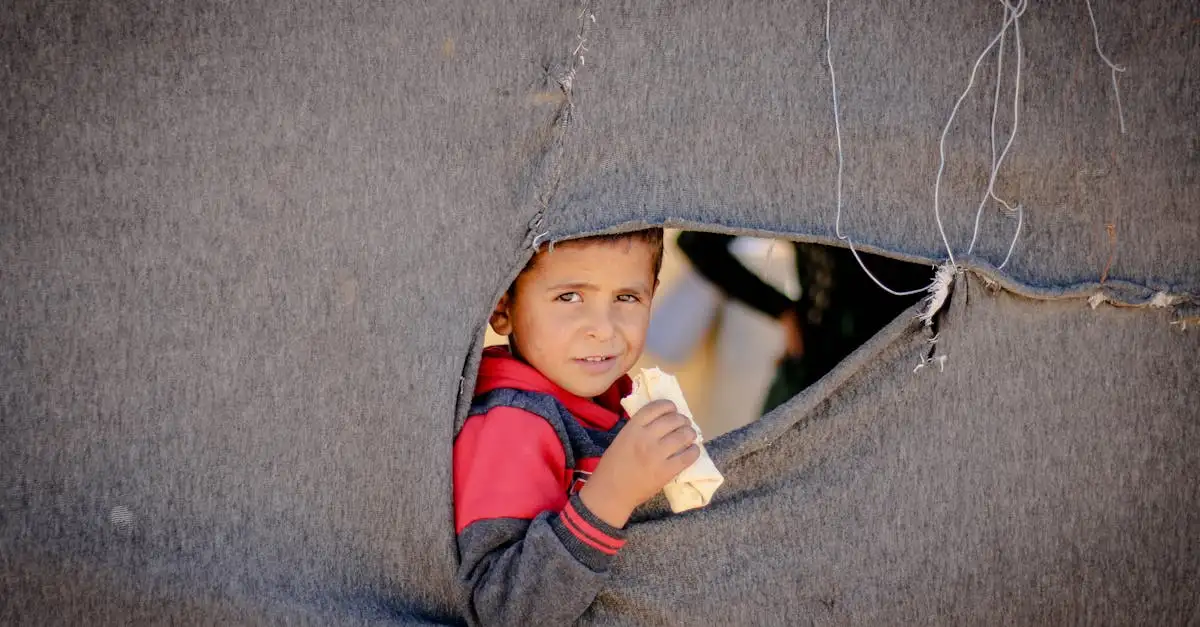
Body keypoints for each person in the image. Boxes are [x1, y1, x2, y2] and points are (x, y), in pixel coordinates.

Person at [454, 228, 702, 626]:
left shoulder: (616, 402)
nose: (603, 328)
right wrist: (612, 493)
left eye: (627, 297)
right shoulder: (512, 424)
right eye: (569, 297)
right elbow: (503, 609)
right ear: (503, 306)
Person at [675, 231, 929, 414]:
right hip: (814, 362)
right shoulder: (798, 178)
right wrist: (782, 310)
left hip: (908, 368)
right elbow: (696, 243)